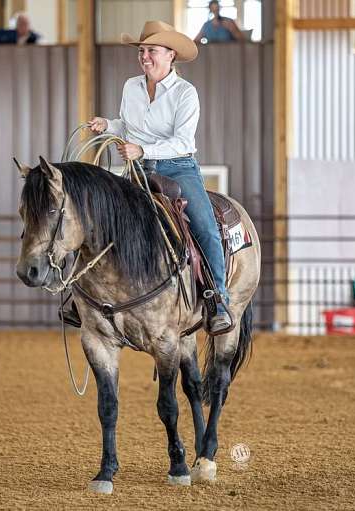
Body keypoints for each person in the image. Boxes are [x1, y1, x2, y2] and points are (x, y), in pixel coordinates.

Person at [82, 20, 232, 334]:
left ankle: (218, 299)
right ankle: (85, 297)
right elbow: (126, 124)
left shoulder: (185, 93)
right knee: (98, 218)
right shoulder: (130, 86)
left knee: (205, 226)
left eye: (151, 51)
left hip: (177, 167)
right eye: (142, 50)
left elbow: (182, 141)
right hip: (137, 169)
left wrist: (143, 150)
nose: (144, 56)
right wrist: (107, 125)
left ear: (170, 55)